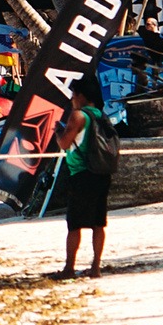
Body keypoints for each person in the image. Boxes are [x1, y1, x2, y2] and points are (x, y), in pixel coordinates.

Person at [55, 76, 112, 279]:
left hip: (82, 172)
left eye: (73, 94)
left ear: (80, 96)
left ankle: (69, 268)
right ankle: (95, 267)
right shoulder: (100, 115)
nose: (72, 99)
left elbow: (64, 143)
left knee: (75, 224)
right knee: (98, 222)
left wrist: (57, 132)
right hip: (102, 172)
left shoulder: (78, 116)